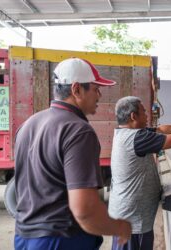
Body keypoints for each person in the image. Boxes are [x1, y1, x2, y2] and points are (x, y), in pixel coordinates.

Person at [14, 58, 131, 250]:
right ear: (77, 89)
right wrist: (120, 226)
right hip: (62, 239)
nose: (99, 95)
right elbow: (85, 211)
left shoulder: (29, 124)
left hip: (24, 236)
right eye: (95, 88)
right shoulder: (78, 131)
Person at [108, 96, 171, 250]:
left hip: (127, 216)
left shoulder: (126, 132)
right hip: (133, 222)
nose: (147, 115)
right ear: (133, 116)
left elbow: (161, 130)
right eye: (144, 112)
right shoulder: (136, 138)